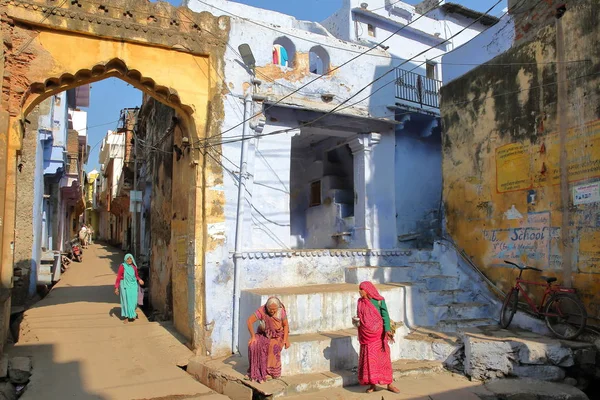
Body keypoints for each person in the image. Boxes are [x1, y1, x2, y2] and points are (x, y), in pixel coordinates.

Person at [356, 281, 400, 394]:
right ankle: (372, 384)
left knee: (384, 360)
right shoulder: (360, 302)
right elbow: (359, 316)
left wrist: (387, 330)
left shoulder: (379, 301)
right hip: (366, 336)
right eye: (360, 289)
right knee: (370, 361)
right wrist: (356, 322)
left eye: (362, 289)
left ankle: (389, 384)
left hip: (379, 336)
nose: (360, 291)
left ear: (368, 290)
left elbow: (385, 315)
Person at [246, 297, 290, 383]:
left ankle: (270, 372)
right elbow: (249, 321)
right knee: (253, 345)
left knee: (273, 346)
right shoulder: (262, 310)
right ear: (267, 307)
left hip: (278, 335)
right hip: (263, 334)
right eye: (270, 309)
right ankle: (255, 371)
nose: (272, 312)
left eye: (274, 310)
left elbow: (285, 325)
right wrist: (253, 337)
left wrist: (285, 340)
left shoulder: (281, 312)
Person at [114, 253, 144, 323]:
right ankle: (126, 317)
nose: (129, 260)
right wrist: (116, 287)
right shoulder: (122, 266)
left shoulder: (134, 267)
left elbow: (136, 276)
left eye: (130, 258)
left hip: (133, 285)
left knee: (133, 301)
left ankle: (132, 313)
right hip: (124, 285)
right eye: (128, 259)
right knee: (125, 301)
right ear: (125, 259)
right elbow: (118, 277)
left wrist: (139, 280)